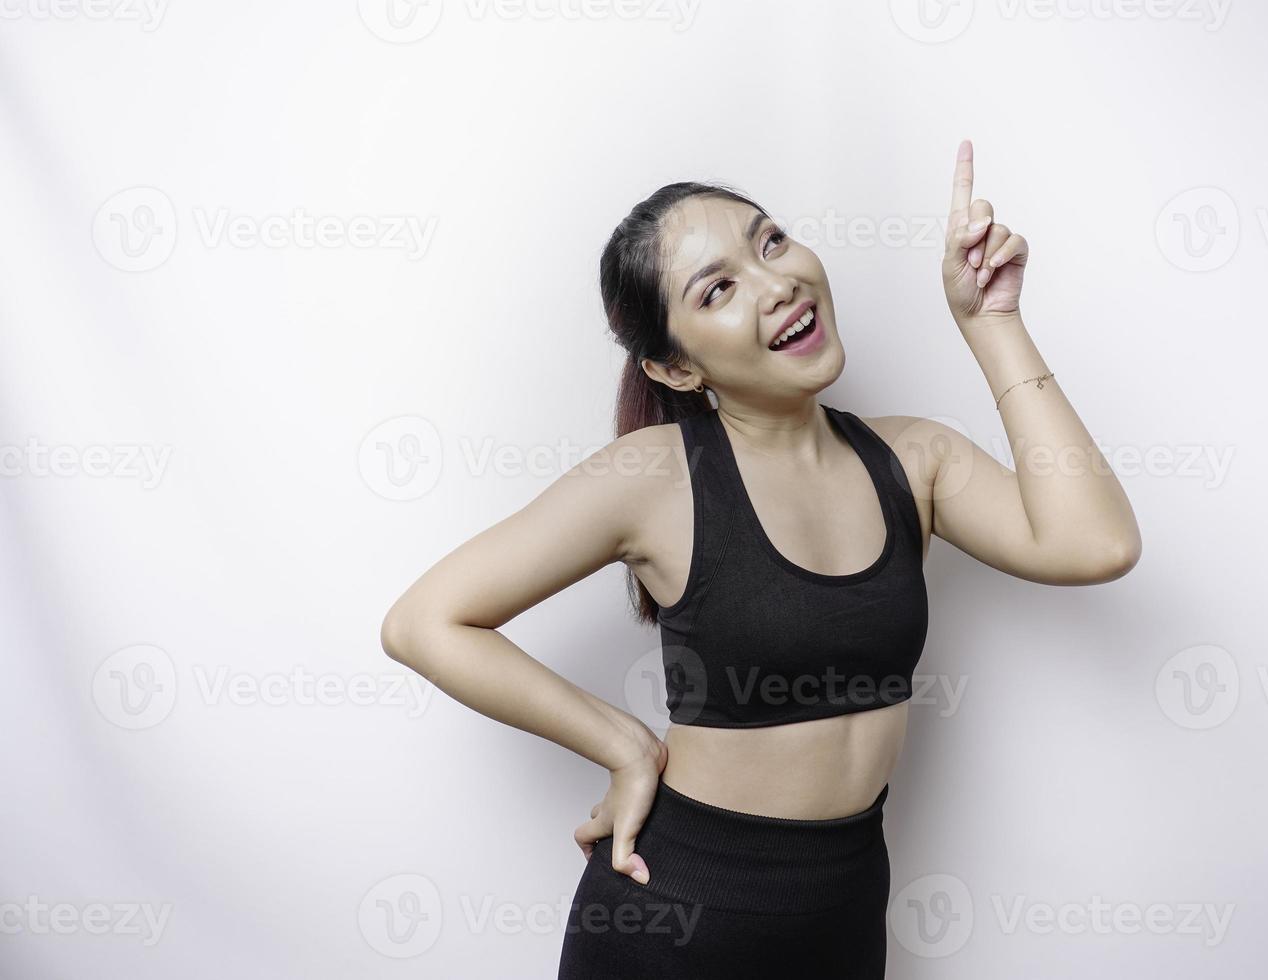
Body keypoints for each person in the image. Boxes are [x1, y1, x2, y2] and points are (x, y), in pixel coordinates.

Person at [380, 138, 1142, 978]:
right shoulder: (654, 476)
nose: (776, 283)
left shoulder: (916, 459)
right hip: (674, 916)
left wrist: (992, 324)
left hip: (846, 913)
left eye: (770, 241)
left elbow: (1095, 543)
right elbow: (425, 623)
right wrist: (623, 745)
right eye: (719, 288)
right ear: (674, 364)